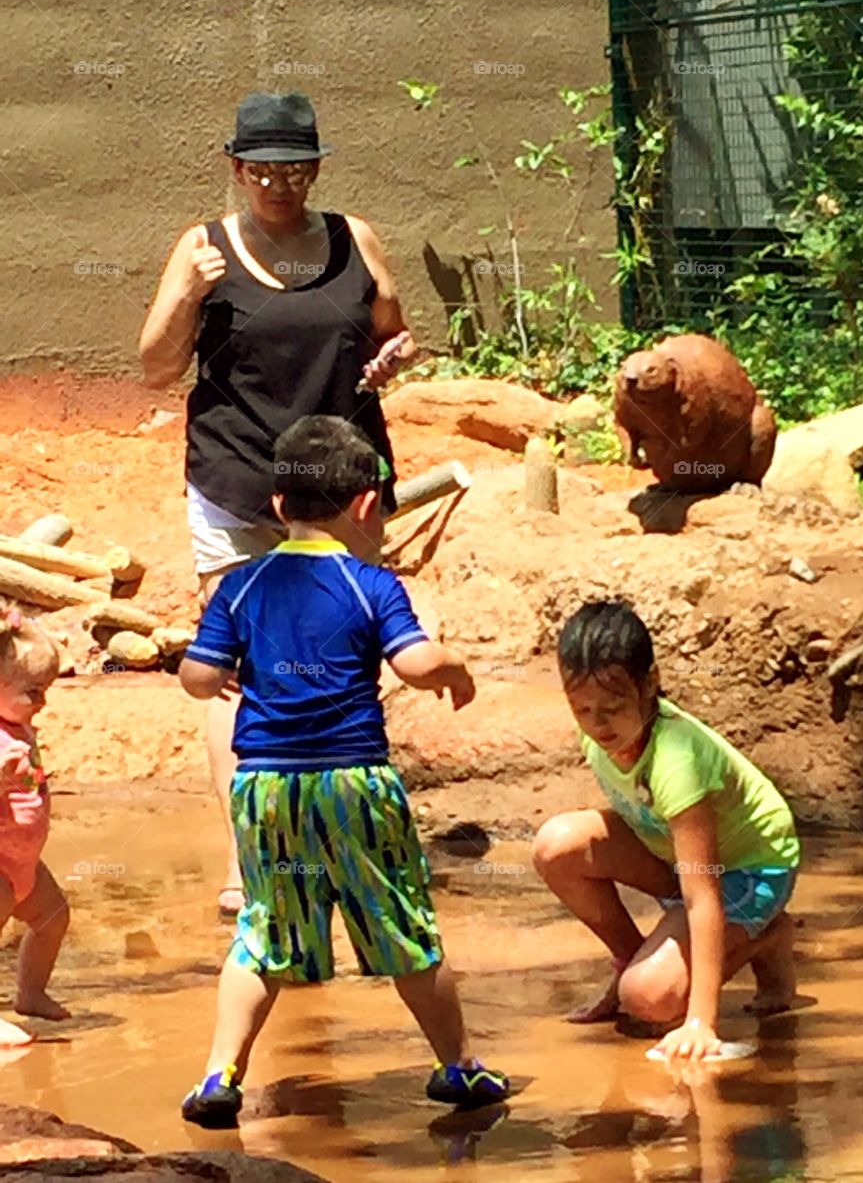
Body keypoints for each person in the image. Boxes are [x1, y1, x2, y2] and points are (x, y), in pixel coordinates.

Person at [177, 415, 509, 1128]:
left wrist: (222, 674)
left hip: (266, 787)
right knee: (408, 932)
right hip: (354, 782)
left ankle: (219, 1074)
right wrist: (457, 667)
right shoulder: (371, 584)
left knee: (262, 935)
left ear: (276, 505)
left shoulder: (240, 586)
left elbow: (198, 675)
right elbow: (415, 662)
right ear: (366, 504)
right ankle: (457, 1067)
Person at [138, 90, 416, 918]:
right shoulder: (203, 247)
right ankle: (248, 853)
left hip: (341, 479)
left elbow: (391, 327)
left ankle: (341, 830)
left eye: (293, 168)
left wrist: (392, 356)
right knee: (233, 672)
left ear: (316, 168)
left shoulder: (352, 236)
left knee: (345, 650)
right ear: (235, 169)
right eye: (260, 169)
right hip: (237, 477)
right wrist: (188, 292)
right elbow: (155, 367)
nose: (277, 183)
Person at [534, 600, 800, 1063]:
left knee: (650, 1002)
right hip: (671, 853)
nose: (598, 725)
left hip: (748, 869)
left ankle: (767, 933)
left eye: (613, 709)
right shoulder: (599, 729)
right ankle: (631, 965)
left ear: (651, 682)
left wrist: (701, 1021)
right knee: (555, 846)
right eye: (582, 709)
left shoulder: (676, 760)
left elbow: (702, 894)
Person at [0, 600, 70, 1047]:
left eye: (46, 689)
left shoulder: (20, 726)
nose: (42, 701)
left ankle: (31, 992)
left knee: (54, 917)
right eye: (32, 691)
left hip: (24, 860)